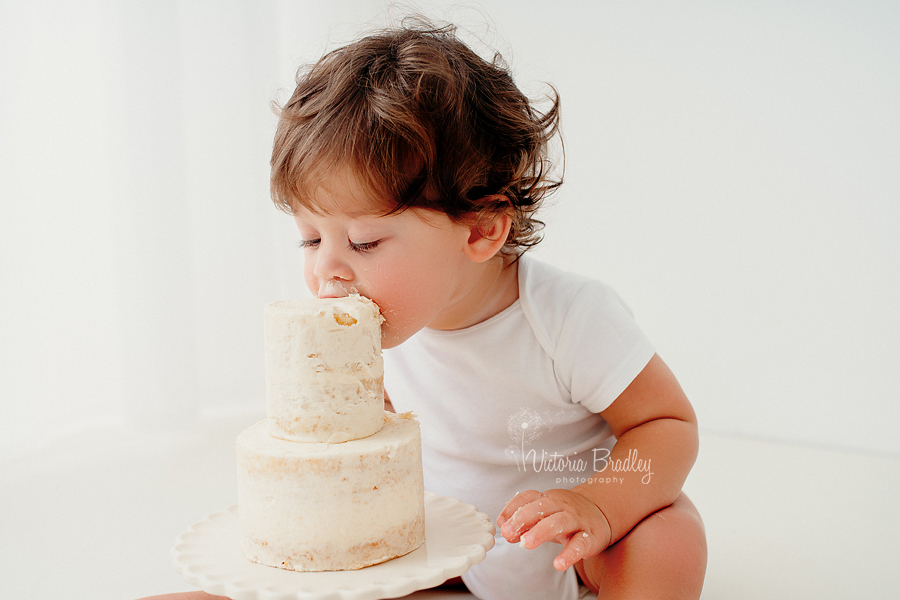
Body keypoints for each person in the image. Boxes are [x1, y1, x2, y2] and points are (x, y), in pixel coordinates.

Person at [145, 16, 706, 600]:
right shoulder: (368, 343)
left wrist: (598, 505)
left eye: (363, 242)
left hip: (571, 555)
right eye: (311, 239)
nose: (326, 270)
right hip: (442, 557)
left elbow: (666, 423)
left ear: (482, 229)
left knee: (670, 539)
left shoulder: (567, 316)